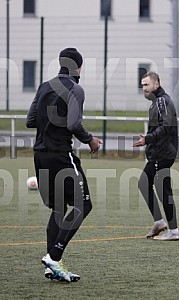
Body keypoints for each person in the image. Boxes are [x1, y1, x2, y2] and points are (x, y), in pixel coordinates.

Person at [26, 47, 102, 282]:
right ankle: (54, 256)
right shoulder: (75, 89)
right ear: (79, 67)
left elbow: (30, 121)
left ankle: (51, 267)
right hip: (61, 156)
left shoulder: (44, 86)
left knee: (59, 208)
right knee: (83, 205)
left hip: (40, 155)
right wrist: (91, 140)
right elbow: (73, 125)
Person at [133, 72, 179, 241]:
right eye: (142, 85)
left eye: (146, 85)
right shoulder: (156, 103)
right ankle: (160, 222)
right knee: (144, 183)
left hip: (163, 153)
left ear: (156, 84)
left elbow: (165, 127)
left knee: (162, 189)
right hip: (158, 153)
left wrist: (148, 139)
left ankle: (173, 231)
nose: (144, 88)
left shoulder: (162, 101)